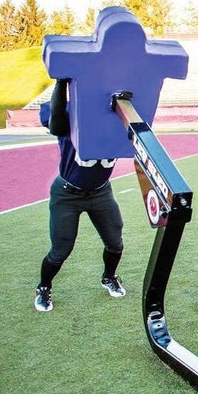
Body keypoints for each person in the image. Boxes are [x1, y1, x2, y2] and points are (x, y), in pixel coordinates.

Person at [34, 78, 126, 312]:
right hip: (68, 194)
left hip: (101, 191)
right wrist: (61, 82)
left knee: (115, 243)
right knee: (61, 250)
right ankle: (44, 287)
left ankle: (109, 277)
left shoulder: (120, 117)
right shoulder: (70, 114)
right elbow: (55, 126)